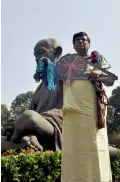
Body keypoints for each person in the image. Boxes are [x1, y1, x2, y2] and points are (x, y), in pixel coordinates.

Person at [61, 32, 114, 182]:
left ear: (89, 44)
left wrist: (98, 74)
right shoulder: (67, 64)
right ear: (73, 45)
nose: (81, 42)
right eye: (77, 40)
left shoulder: (97, 59)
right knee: (73, 148)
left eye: (84, 40)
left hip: (93, 111)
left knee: (96, 146)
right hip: (72, 111)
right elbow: (54, 81)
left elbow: (110, 80)